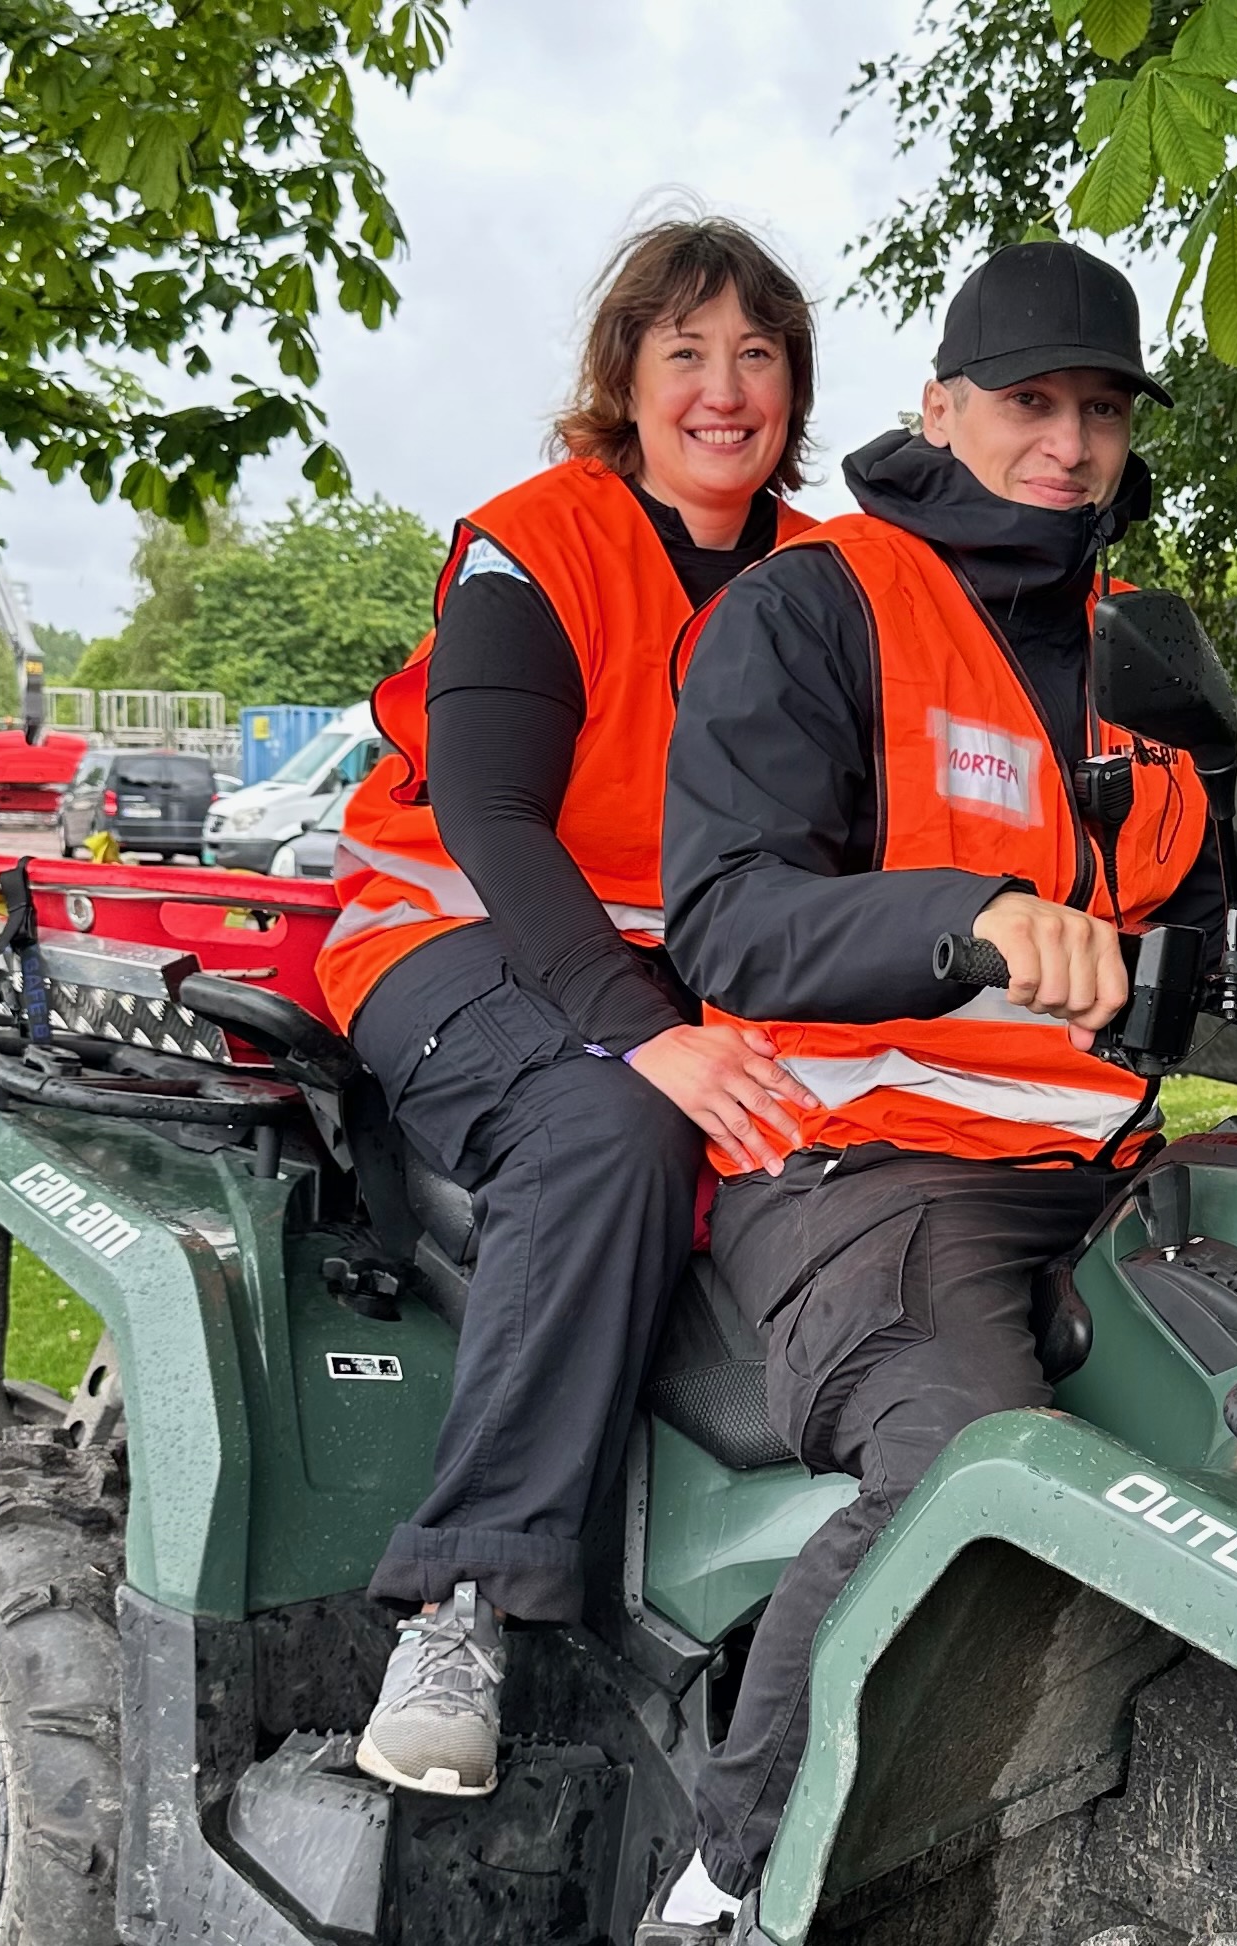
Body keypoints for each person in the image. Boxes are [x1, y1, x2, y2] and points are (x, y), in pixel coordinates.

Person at [636, 240, 1237, 1938]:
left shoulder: (1137, 662)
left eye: (1101, 409)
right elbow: (727, 911)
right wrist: (966, 920)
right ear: (939, 407)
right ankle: (723, 1879)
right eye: (1029, 401)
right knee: (968, 1465)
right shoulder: (816, 609)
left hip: (1103, 1174)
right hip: (861, 1173)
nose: (1068, 442)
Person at [316, 218, 824, 1799]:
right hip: (458, 936)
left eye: (757, 354)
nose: (723, 389)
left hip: (693, 966)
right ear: (626, 377)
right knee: (609, 1124)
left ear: (795, 388)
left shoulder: (833, 581)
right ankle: (463, 1604)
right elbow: (492, 816)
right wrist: (645, 1030)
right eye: (687, 352)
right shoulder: (539, 544)